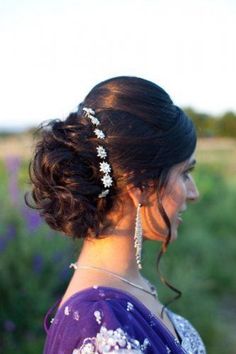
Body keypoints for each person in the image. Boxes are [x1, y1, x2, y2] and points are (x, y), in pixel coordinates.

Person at [27, 76, 206, 353]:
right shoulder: (95, 328)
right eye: (185, 173)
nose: (193, 193)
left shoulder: (133, 286)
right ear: (141, 186)